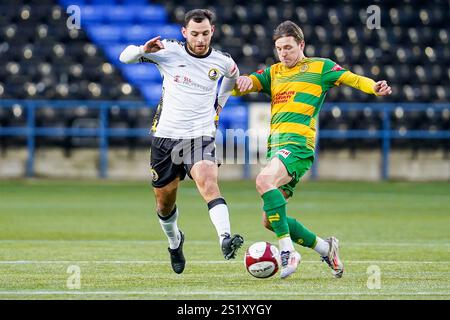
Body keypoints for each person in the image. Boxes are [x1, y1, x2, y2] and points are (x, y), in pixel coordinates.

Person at [233, 20, 392, 279]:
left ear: (301, 44)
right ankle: (325, 247)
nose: (283, 54)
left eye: (288, 48)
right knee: (269, 220)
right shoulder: (274, 73)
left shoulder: (321, 67)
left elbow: (352, 79)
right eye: (279, 49)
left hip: (298, 146)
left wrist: (373, 87)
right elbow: (243, 87)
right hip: (277, 149)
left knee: (263, 180)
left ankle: (288, 251)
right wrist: (238, 82)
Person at [119, 9, 244, 274]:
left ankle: (225, 238)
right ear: (184, 33)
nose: (201, 39)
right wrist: (143, 49)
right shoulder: (169, 51)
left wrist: (218, 106)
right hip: (165, 138)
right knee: (164, 204)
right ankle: (175, 242)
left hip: (199, 136)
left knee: (208, 183)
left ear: (213, 32)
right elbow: (124, 57)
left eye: (206, 33)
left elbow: (232, 77)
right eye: (195, 34)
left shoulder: (223, 61)